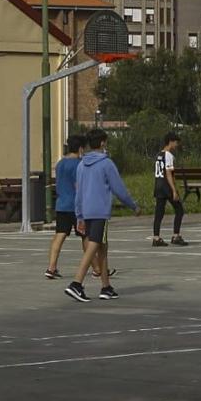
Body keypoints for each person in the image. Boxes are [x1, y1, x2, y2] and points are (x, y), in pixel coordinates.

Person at [66, 129, 141, 302]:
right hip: (99, 212)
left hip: (86, 211)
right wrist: (133, 205)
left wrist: (79, 215)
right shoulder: (106, 163)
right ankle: (76, 284)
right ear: (102, 143)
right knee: (94, 246)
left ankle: (106, 287)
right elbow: (119, 189)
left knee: (102, 248)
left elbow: (78, 192)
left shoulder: (81, 164)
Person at [45, 134, 86, 279]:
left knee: (59, 235)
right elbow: (78, 185)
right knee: (86, 237)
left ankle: (51, 267)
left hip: (61, 204)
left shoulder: (60, 163)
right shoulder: (79, 164)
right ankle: (97, 268)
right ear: (80, 148)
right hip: (76, 206)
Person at [151, 132, 188, 247]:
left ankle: (156, 238)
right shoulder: (168, 155)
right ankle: (176, 236)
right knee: (179, 210)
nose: (177, 145)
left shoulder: (158, 155)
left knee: (159, 213)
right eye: (176, 142)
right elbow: (168, 174)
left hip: (158, 185)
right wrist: (174, 190)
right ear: (171, 141)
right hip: (166, 186)